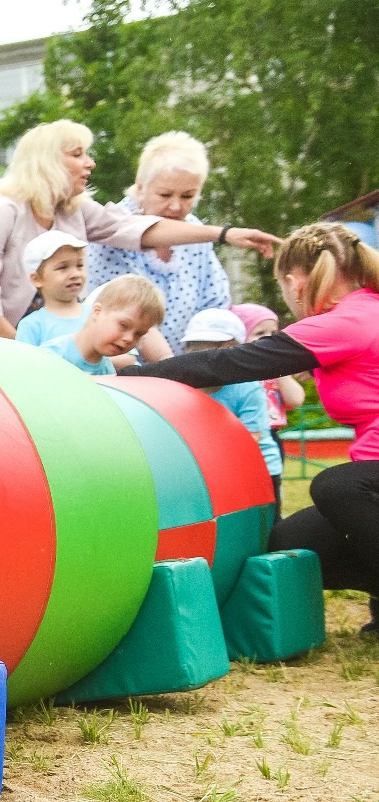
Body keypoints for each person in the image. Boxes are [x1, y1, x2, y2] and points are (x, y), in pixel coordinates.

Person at [121, 222, 379, 623]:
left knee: (339, 485)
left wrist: (130, 376)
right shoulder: (366, 312)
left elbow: (229, 362)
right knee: (288, 545)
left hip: (368, 477)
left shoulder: (345, 322)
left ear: (294, 283)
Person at [0, 120, 279, 338]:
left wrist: (224, 234)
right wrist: (27, 353)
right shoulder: (1, 210)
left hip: (4, 342)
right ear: (46, 162)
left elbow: (141, 230)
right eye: (77, 154)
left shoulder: (74, 211)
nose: (89, 163)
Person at [87, 132, 231, 358]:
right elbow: (132, 312)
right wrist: (177, 374)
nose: (175, 206)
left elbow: (214, 301)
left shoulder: (194, 230)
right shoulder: (113, 230)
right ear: (141, 188)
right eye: (165, 194)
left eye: (187, 196)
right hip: (124, 367)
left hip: (186, 366)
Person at [184, 308, 284, 517]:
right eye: (193, 348)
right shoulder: (185, 388)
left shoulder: (248, 387)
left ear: (234, 350)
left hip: (258, 469)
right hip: (211, 468)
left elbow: (250, 438)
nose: (199, 357)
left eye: (209, 349)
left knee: (261, 524)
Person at [39, 275, 165, 375]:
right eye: (124, 325)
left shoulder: (107, 370)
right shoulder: (51, 356)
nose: (129, 338)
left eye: (138, 334)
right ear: (97, 311)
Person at [233, 303, 305, 454]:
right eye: (259, 333)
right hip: (242, 434)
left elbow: (295, 400)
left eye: (273, 333)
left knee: (273, 476)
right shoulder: (235, 372)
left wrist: (282, 371)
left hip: (271, 434)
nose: (268, 339)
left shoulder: (275, 370)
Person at [15, 231, 90, 346]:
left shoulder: (96, 314)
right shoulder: (31, 325)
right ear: (37, 279)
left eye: (79, 265)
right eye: (63, 267)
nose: (75, 274)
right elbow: (25, 362)